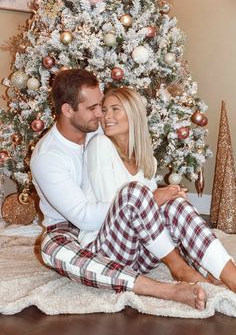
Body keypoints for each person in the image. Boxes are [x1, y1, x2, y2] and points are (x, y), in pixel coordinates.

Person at [31, 68, 212, 311]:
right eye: (93, 108)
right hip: (70, 231)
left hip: (121, 228)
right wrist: (148, 200)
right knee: (51, 249)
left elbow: (132, 174)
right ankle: (162, 289)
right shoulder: (48, 157)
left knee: (172, 205)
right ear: (67, 110)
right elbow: (84, 218)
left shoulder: (99, 128)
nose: (102, 114)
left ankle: (206, 267)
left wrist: (154, 199)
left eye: (102, 105)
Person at [84, 86, 236, 292]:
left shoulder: (148, 161)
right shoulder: (99, 145)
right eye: (105, 109)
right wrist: (157, 197)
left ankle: (230, 276)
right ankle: (179, 267)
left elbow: (150, 217)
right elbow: (115, 210)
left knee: (175, 204)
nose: (106, 116)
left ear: (133, 115)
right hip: (106, 253)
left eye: (115, 109)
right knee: (134, 192)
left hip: (140, 258)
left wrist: (171, 198)